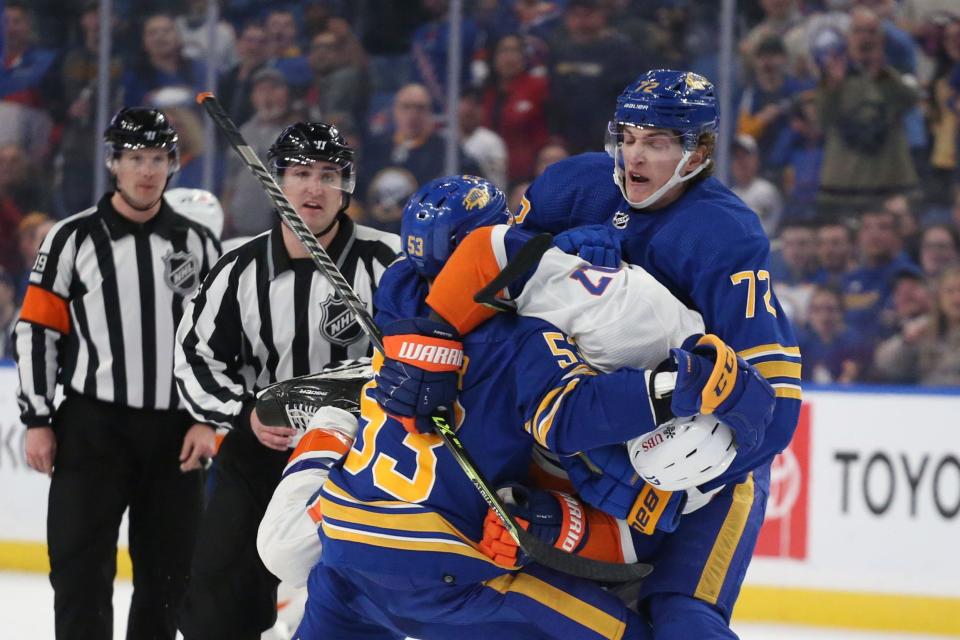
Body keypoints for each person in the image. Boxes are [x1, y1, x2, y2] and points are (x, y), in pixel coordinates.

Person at [419, 69, 802, 639]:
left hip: (699, 466)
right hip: (584, 445)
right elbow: (476, 278)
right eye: (627, 137)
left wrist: (688, 478)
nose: (634, 157)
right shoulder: (573, 186)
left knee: (679, 617)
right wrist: (549, 249)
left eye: (656, 142)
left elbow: (776, 406)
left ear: (698, 150)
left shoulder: (726, 235)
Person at [173, 121, 400, 640]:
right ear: (277, 182)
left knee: (357, 597)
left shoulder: (390, 262)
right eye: (300, 174)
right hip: (258, 452)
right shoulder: (235, 270)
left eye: (327, 175)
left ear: (347, 185)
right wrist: (243, 412)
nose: (313, 188)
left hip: (360, 457)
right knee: (217, 605)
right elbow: (194, 359)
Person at [12, 107, 222, 640]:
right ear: (113, 163)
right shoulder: (70, 239)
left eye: (157, 159)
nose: (146, 171)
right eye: (134, 158)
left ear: (173, 165)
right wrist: (37, 417)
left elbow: (218, 341)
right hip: (92, 426)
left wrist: (208, 418)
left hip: (176, 431)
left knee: (169, 575)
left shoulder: (199, 244)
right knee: (80, 571)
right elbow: (38, 330)